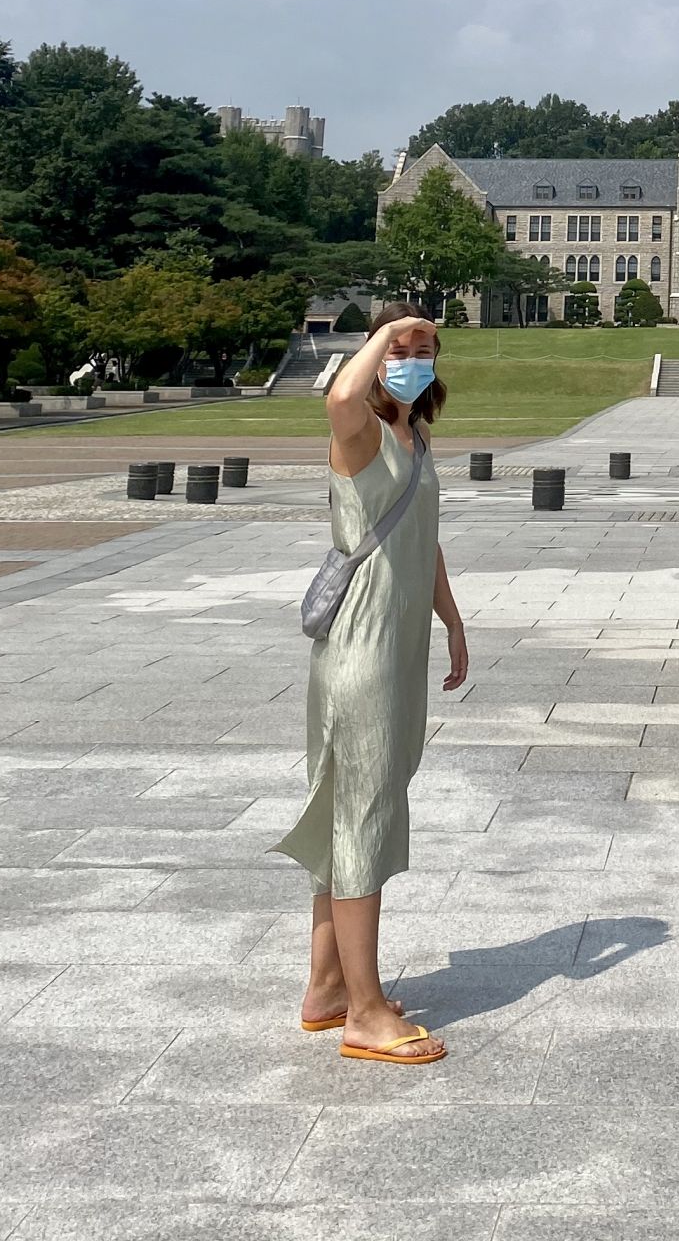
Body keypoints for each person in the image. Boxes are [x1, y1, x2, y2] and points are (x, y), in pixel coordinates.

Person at [273, 303, 469, 1067]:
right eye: (400, 346)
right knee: (365, 814)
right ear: (376, 353)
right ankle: (364, 1012)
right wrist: (384, 333)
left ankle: (325, 987)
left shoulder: (416, 437)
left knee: (349, 807)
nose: (414, 357)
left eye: (426, 347)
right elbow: (337, 399)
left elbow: (424, 539)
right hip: (361, 647)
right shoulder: (356, 432)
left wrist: (452, 620)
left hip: (401, 642)